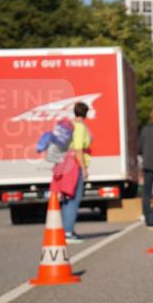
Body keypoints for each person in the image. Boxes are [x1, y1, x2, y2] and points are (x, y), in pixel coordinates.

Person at [61, 102, 92, 242]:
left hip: (67, 164)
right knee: (74, 199)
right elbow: (78, 149)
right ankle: (68, 232)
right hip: (75, 165)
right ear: (86, 113)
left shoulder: (71, 125)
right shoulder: (80, 128)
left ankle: (67, 230)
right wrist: (84, 168)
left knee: (68, 198)